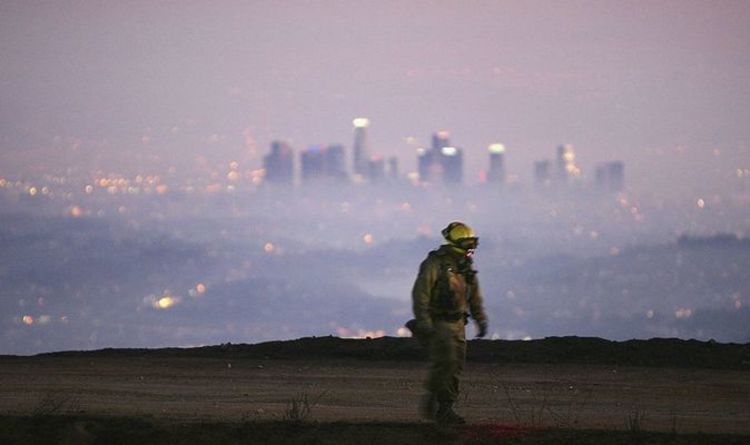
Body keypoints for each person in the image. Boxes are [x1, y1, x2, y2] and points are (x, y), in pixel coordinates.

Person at [408, 221, 488, 425]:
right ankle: (441, 406)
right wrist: (424, 322)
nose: (471, 248)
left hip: (458, 324)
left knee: (455, 367)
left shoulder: (464, 266)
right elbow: (421, 294)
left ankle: (441, 404)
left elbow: (474, 296)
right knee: (447, 363)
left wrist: (480, 319)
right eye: (467, 243)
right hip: (440, 323)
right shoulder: (436, 263)